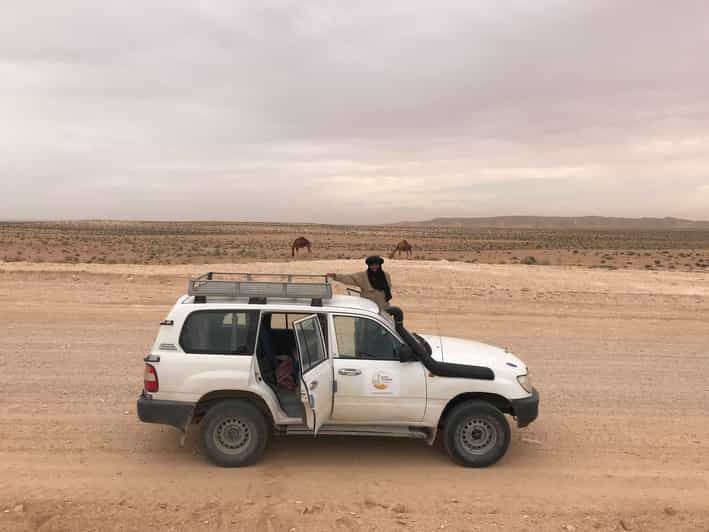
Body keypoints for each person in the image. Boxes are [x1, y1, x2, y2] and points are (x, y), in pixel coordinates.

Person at [327, 255, 393, 309]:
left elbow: (388, 291)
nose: (374, 267)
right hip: (369, 309)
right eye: (372, 265)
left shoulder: (386, 276)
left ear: (379, 265)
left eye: (376, 265)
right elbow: (348, 278)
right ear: (369, 266)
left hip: (384, 307)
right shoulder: (363, 276)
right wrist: (335, 276)